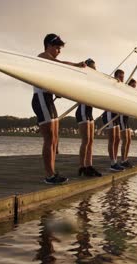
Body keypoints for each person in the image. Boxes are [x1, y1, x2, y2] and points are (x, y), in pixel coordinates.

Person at [31, 33, 86, 184]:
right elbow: (60, 63)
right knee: (49, 139)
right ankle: (49, 176)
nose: (59, 51)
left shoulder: (50, 61)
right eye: (57, 48)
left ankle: (53, 173)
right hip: (41, 98)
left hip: (48, 99)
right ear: (49, 45)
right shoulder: (42, 56)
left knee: (55, 139)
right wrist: (76, 65)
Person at [76, 58, 102, 177]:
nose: (94, 70)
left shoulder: (93, 82)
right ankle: (82, 166)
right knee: (85, 141)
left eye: (95, 68)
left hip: (89, 112)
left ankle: (89, 165)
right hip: (82, 110)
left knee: (91, 140)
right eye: (92, 68)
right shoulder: (82, 79)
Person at [101, 69, 125, 172]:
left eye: (123, 77)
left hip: (116, 115)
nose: (121, 79)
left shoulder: (121, 86)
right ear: (116, 76)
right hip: (109, 114)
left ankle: (115, 161)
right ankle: (112, 162)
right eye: (120, 77)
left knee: (117, 139)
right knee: (112, 139)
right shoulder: (111, 83)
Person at [119, 78, 137, 168]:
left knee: (129, 140)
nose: (134, 88)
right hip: (122, 117)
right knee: (125, 140)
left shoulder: (131, 93)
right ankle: (123, 160)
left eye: (135, 86)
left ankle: (125, 159)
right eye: (133, 86)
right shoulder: (125, 91)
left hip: (126, 118)